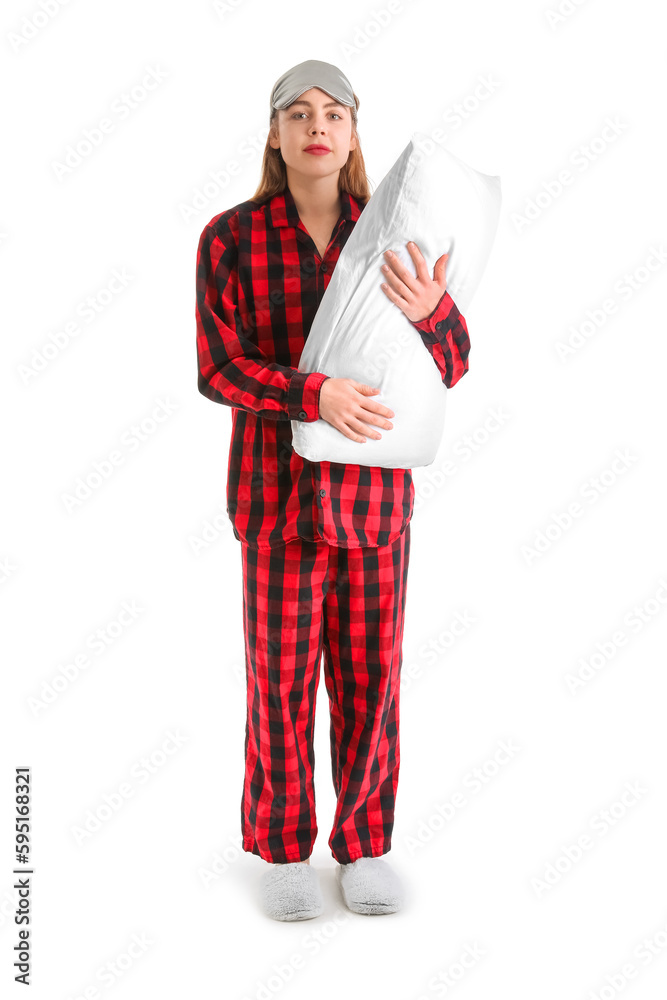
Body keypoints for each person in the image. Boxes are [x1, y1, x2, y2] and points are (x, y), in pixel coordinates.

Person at [195, 59, 470, 921]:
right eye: (297, 113)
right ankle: (281, 848)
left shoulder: (392, 238)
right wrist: (311, 395)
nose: (317, 126)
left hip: (372, 507)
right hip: (275, 504)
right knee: (277, 681)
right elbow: (218, 369)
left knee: (369, 680)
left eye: (335, 113)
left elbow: (452, 365)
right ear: (275, 134)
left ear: (353, 134)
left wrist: (432, 311)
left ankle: (363, 846)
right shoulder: (230, 239)